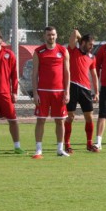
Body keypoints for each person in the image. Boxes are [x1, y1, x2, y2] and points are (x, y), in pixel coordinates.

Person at [31, 26, 71, 158]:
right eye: (48, 35)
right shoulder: (38, 51)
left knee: (60, 121)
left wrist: (67, 92)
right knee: (40, 120)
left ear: (56, 35)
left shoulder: (63, 50)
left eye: (53, 34)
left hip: (59, 92)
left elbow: (67, 73)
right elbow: (34, 74)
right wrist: (35, 93)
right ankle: (38, 149)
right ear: (44, 36)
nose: (51, 37)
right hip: (43, 92)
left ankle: (60, 149)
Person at [64, 29, 99, 153]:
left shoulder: (92, 57)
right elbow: (75, 32)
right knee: (70, 117)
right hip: (72, 87)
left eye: (93, 45)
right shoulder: (73, 50)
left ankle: (89, 144)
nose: (92, 47)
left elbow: (94, 75)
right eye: (90, 44)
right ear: (83, 42)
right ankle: (67, 145)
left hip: (86, 89)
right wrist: (80, 40)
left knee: (89, 117)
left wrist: (97, 92)